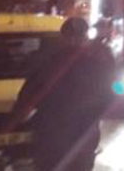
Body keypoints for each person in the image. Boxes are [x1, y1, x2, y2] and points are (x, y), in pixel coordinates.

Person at [13, 17, 115, 171]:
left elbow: (112, 85)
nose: (74, 41)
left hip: (68, 128)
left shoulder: (97, 56)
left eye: (77, 36)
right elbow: (31, 88)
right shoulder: (52, 58)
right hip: (62, 129)